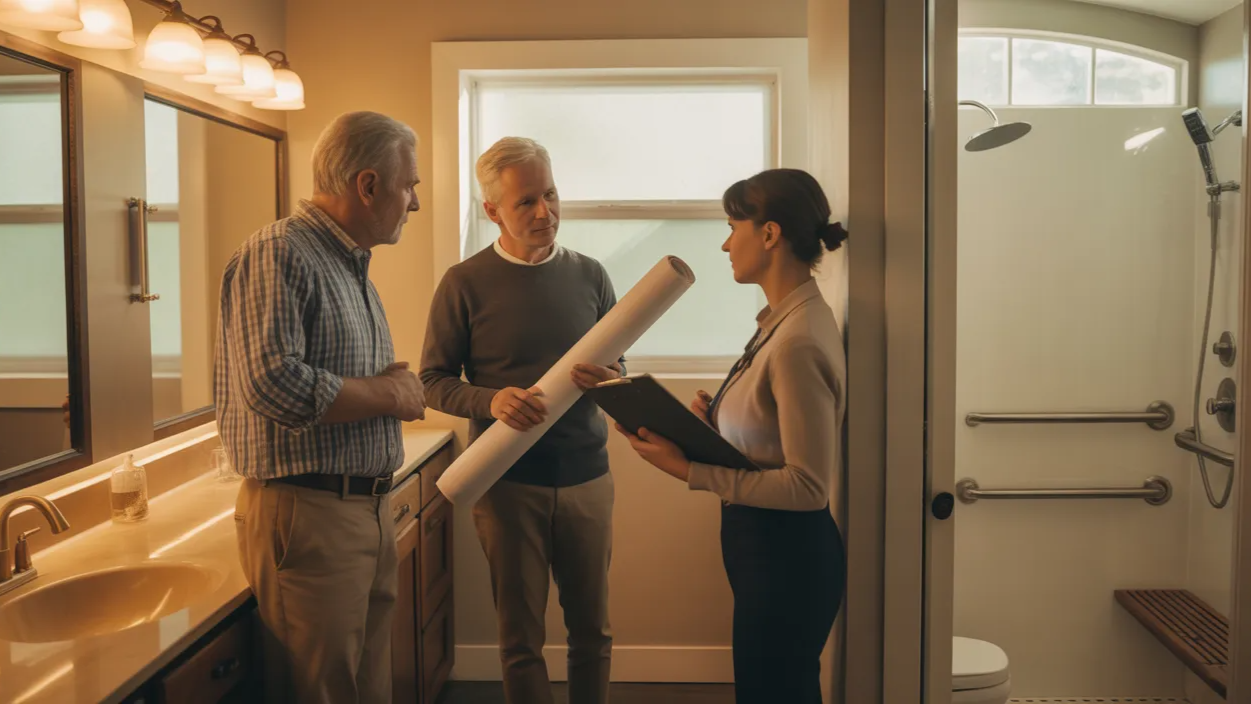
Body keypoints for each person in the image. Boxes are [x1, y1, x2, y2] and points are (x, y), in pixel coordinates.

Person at [215, 111, 425, 704]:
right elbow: (272, 382)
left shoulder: (347, 264)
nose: (413, 203)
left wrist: (382, 387)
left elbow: (325, 378)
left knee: (365, 689)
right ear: (367, 185)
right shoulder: (281, 251)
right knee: (322, 692)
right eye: (409, 185)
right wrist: (388, 393)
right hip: (308, 516)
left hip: (360, 510)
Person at [616, 168, 848, 704]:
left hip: (787, 558)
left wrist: (687, 469)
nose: (724, 243)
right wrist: (713, 419)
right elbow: (769, 431)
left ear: (769, 235)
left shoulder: (797, 341)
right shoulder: (781, 322)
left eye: (731, 226)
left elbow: (808, 487)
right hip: (765, 550)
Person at [420, 136, 623, 704]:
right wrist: (491, 402)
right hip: (506, 486)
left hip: (588, 479)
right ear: (492, 212)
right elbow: (432, 380)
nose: (544, 212)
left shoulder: (592, 276)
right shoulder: (463, 283)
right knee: (520, 639)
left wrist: (613, 381)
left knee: (593, 631)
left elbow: (620, 366)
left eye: (551, 195)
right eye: (526, 202)